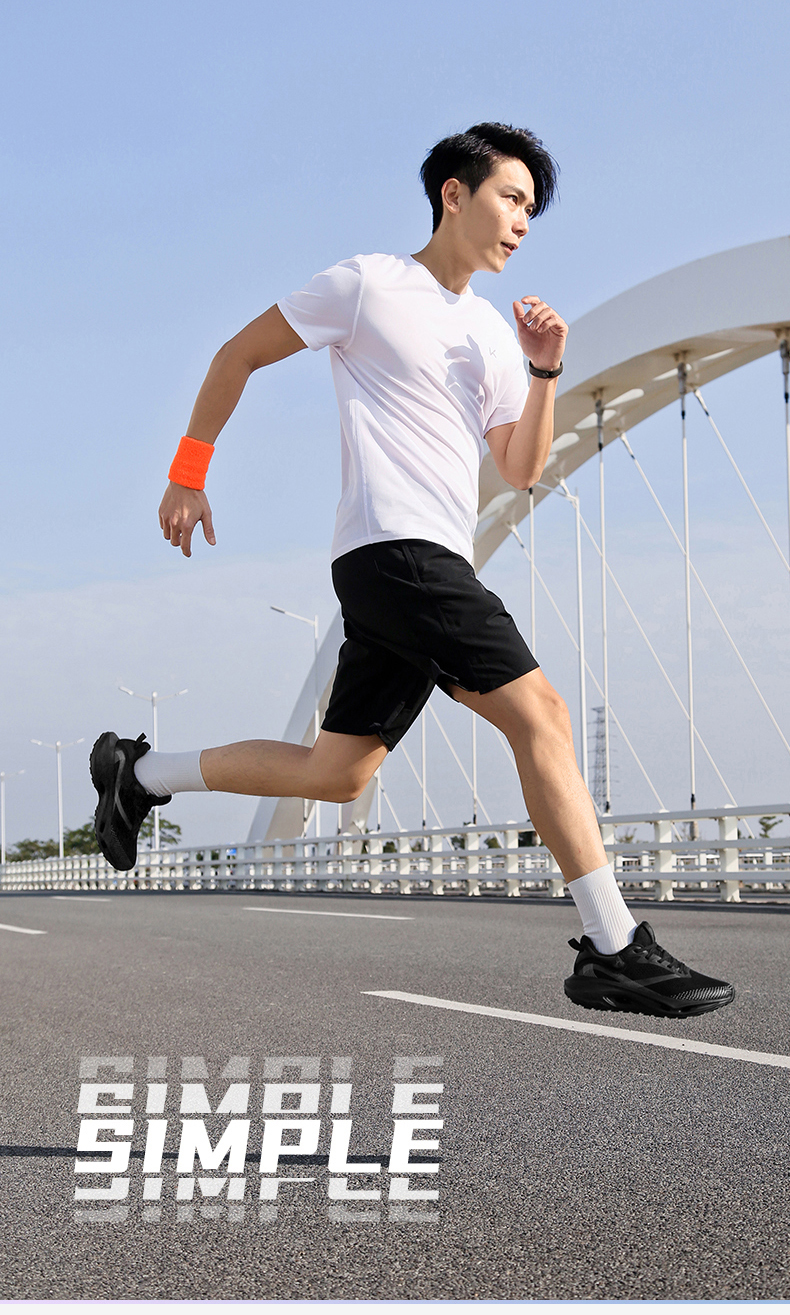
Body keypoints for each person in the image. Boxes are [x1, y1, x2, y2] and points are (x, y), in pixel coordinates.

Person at [91, 122, 734, 1019]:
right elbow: (238, 353)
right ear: (453, 194)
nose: (522, 222)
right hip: (395, 552)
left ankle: (142, 772)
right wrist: (188, 473)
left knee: (338, 773)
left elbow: (520, 468)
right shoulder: (368, 284)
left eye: (532, 210)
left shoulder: (491, 334)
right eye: (511, 198)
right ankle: (614, 945)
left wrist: (546, 373)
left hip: (423, 561)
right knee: (543, 714)